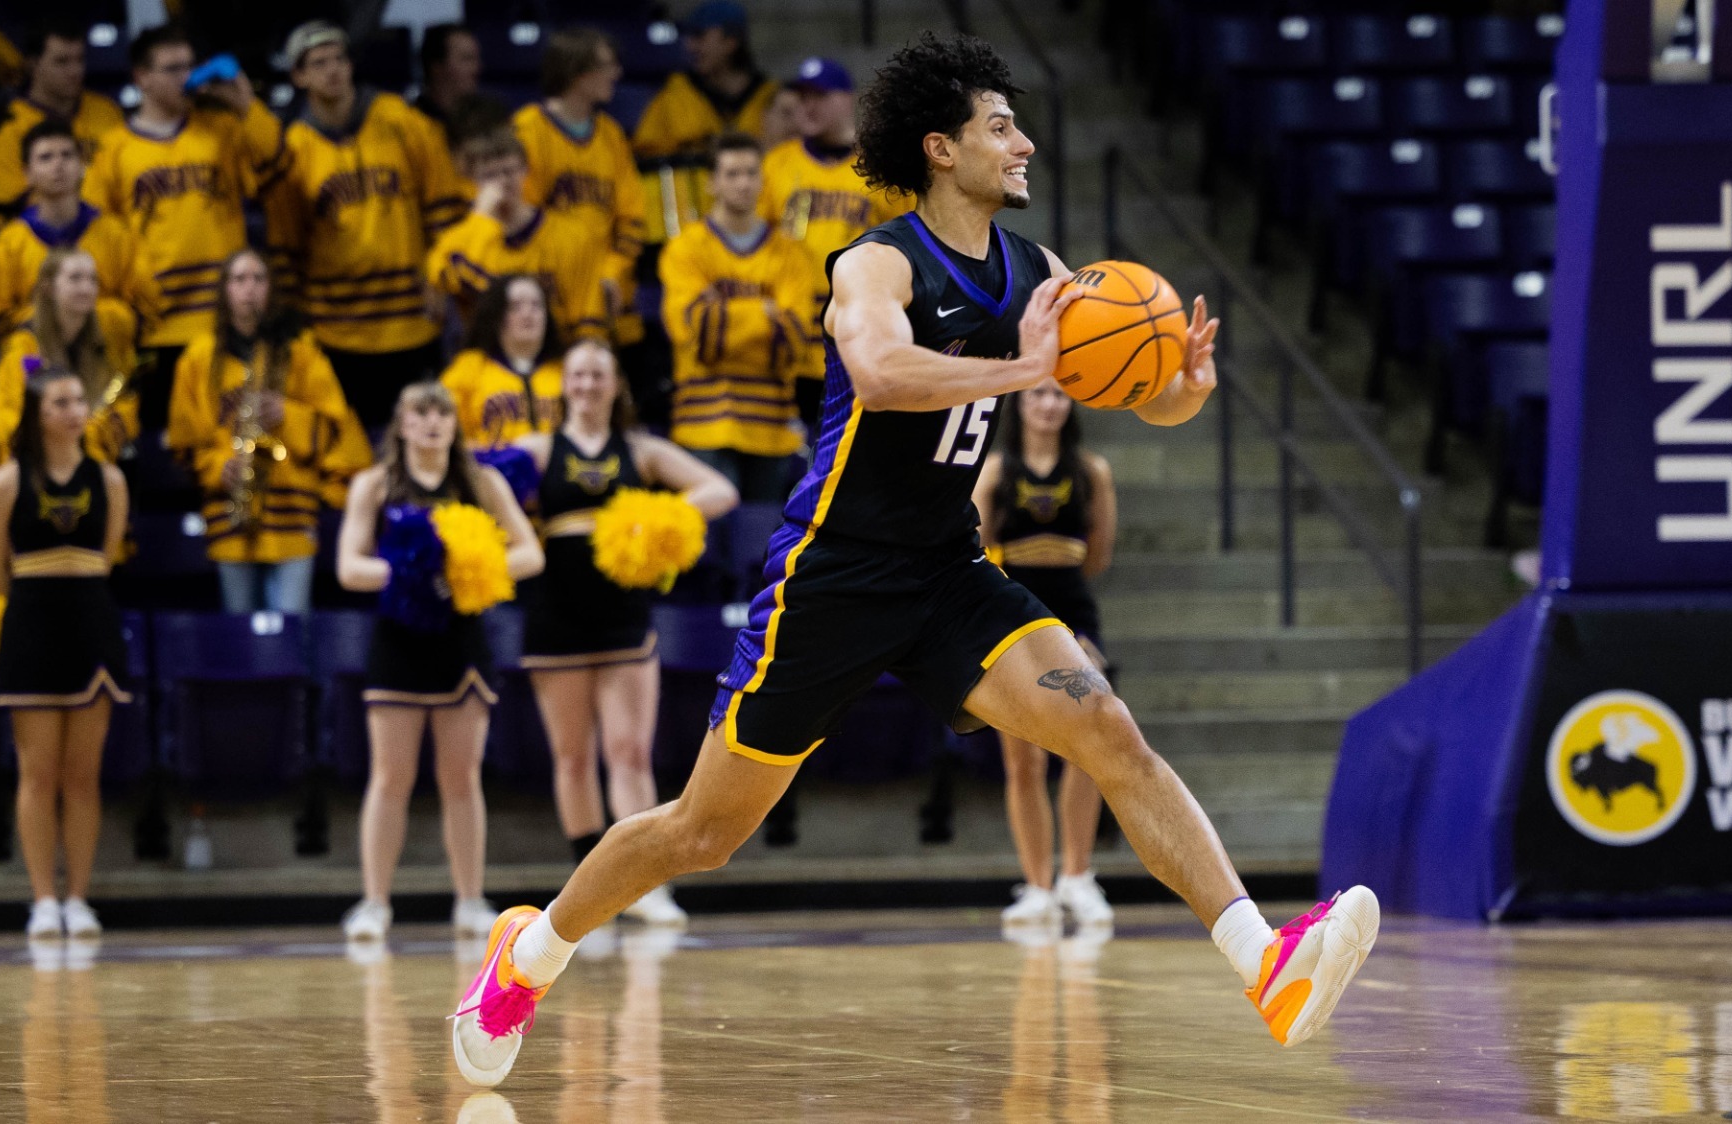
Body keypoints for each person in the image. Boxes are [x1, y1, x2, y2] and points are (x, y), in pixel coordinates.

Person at [449, 33, 1378, 1088]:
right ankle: (529, 952)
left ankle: (1266, 962)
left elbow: (1139, 393)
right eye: (998, 126)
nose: (1023, 142)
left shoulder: (1039, 274)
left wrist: (1183, 381)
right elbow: (880, 370)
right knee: (699, 833)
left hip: (946, 569)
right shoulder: (875, 261)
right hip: (830, 577)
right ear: (940, 149)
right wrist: (1017, 361)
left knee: (1106, 726)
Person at [511, 340, 738, 925]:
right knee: (571, 756)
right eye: (578, 374)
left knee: (630, 752)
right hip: (555, 616)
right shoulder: (534, 451)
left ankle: (641, 888)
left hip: (624, 618)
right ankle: (589, 895)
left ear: (615, 387)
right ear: (564, 386)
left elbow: (720, 491)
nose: (587, 385)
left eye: (598, 375)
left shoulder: (641, 451)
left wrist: (659, 518)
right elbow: (482, 488)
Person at [335, 381, 544, 942]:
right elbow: (349, 568)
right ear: (401, 425)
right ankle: (375, 902)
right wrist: (409, 575)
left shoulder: (481, 481)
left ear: (454, 425)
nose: (431, 423)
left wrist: (469, 570)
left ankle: (470, 901)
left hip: (462, 639)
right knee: (390, 776)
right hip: (396, 641)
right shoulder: (374, 486)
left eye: (441, 414)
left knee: (461, 776)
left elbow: (529, 553)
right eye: (419, 413)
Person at [0, 364, 132, 938]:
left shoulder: (109, 480)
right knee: (37, 773)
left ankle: (78, 898)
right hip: (32, 626)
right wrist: (35, 603)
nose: (75, 411)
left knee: (82, 775)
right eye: (62, 402)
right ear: (37, 414)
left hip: (92, 621)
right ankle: (42, 900)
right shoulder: (6, 482)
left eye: (78, 401)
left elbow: (108, 554)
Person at [83, 24, 287, 433]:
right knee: (170, 442)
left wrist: (246, 104)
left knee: (234, 436)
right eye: (172, 68)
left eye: (190, 66)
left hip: (225, 321)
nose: (186, 76)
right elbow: (99, 244)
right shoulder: (113, 151)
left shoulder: (223, 129)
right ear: (142, 77)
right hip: (159, 327)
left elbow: (278, 169)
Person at [263, 21, 458, 431]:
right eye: (318, 63)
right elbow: (286, 243)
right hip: (337, 329)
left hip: (410, 321)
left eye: (339, 59)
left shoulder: (403, 121)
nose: (333, 69)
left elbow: (444, 206)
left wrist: (441, 277)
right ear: (298, 76)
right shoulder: (293, 147)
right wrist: (297, 318)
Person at [974, 379, 1118, 931]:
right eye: (1038, 395)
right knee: (1022, 760)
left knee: (1089, 743)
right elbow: (975, 552)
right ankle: (1036, 887)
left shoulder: (1091, 471)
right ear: (1021, 403)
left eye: (1060, 395)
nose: (1050, 404)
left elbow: (1099, 553)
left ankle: (1077, 878)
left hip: (1074, 615)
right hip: (1012, 616)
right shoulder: (992, 471)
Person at [165, 248, 370, 613]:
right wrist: (218, 467)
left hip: (292, 512)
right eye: (239, 279)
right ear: (225, 290)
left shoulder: (302, 351)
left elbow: (338, 431)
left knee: (292, 635)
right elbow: (185, 443)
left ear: (272, 290)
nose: (249, 288)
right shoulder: (198, 358)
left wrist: (288, 415)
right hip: (231, 514)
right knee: (241, 639)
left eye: (259, 279)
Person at [757, 56, 913, 431]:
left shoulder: (880, 168)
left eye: (820, 96)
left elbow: (910, 246)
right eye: (803, 96)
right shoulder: (777, 164)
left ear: (847, 100)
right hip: (792, 336)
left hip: (855, 331)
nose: (807, 106)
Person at [658, 132, 816, 502]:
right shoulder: (684, 250)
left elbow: (793, 337)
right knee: (710, 552)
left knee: (764, 548)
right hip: (703, 424)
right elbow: (695, 334)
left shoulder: (791, 255)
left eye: (750, 173)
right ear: (711, 182)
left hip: (771, 426)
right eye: (731, 174)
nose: (743, 183)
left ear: (763, 180)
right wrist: (764, 312)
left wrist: (723, 314)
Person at [512, 27, 644, 347]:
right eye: (607, 65)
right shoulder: (528, 131)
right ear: (578, 73)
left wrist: (612, 273)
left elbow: (632, 218)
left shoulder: (611, 135)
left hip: (606, 296)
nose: (617, 73)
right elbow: (520, 222)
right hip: (549, 303)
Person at [427, 129, 611, 346]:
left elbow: (587, 318)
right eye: (489, 175)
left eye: (509, 171)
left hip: (554, 358)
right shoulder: (456, 240)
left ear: (525, 169)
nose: (502, 183)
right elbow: (449, 281)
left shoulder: (572, 237)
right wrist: (481, 220)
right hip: (486, 363)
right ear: (471, 181)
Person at [0, 121, 150, 345]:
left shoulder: (115, 234)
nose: (58, 164)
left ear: (81, 166)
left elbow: (143, 307)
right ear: (27, 173)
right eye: (46, 157)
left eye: (67, 155)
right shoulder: (9, 244)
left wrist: (86, 315)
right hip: (36, 366)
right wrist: (50, 318)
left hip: (106, 357)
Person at [631, 1, 778, 240]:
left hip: (756, 230)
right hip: (688, 231)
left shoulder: (771, 99)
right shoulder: (675, 95)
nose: (690, 45)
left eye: (699, 36)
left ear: (731, 41)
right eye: (689, 37)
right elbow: (645, 160)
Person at [0, 250, 138, 466]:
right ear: (48, 288)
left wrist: (102, 428)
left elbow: (122, 403)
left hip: (95, 468)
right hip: (40, 472)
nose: (87, 288)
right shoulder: (26, 350)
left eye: (93, 279)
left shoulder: (106, 339)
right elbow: (7, 423)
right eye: (75, 279)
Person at [0, 20, 126, 209]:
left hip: (112, 233)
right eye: (62, 61)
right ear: (33, 65)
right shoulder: (7, 125)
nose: (75, 71)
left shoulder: (107, 111)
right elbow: (6, 209)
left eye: (80, 59)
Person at [440, 275, 564, 453]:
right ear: (496, 316)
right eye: (516, 306)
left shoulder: (567, 371)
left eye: (537, 305)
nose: (528, 313)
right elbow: (445, 436)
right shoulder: (469, 368)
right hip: (490, 473)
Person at [411, 23, 492, 234]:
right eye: (466, 59)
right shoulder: (408, 127)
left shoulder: (486, 124)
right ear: (437, 66)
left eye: (476, 59)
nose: (477, 68)